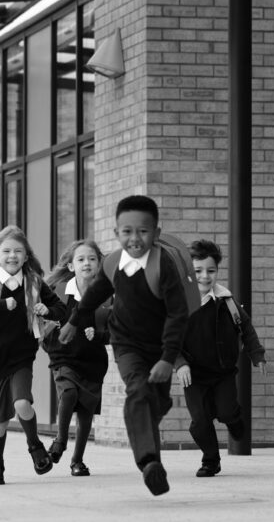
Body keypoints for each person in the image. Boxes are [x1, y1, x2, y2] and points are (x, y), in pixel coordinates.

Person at [60, 195, 189, 496]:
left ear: (156, 233)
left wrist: (169, 358)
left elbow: (178, 315)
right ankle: (149, 463)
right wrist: (73, 321)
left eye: (142, 231)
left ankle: (158, 405)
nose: (134, 238)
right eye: (127, 231)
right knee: (138, 389)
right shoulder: (113, 262)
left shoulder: (164, 266)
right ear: (117, 233)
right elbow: (93, 295)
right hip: (126, 342)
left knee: (155, 400)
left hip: (159, 347)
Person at [0, 225, 67, 485]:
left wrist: (46, 310)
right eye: (6, 251)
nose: (12, 255)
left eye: (18, 251)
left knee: (21, 403)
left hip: (21, 358)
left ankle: (35, 447)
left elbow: (61, 309)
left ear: (26, 257)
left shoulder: (34, 284)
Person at [174, 239, 266, 477]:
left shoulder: (227, 301)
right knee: (199, 423)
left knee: (225, 412)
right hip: (193, 375)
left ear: (217, 271)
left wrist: (257, 355)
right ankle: (211, 460)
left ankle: (234, 419)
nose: (205, 276)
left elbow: (246, 328)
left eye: (211, 270)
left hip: (223, 372)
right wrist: (180, 363)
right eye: (198, 271)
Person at [41, 239, 111, 476]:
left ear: (99, 264)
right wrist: (48, 340)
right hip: (63, 356)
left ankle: (77, 461)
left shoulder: (107, 296)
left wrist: (100, 335)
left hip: (93, 361)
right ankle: (60, 441)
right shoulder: (58, 293)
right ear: (71, 266)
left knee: (85, 413)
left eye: (92, 259)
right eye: (81, 259)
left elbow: (118, 332)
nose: (87, 263)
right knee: (69, 392)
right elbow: (42, 324)